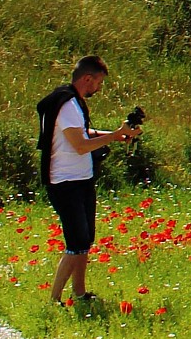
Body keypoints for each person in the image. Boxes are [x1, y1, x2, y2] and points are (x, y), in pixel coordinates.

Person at [37, 56, 139, 312]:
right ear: (87, 79)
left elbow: (84, 134)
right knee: (76, 242)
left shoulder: (74, 102)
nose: (99, 88)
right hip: (65, 181)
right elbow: (80, 145)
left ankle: (79, 293)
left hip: (81, 179)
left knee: (85, 239)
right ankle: (53, 300)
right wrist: (114, 136)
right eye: (99, 83)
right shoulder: (68, 105)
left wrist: (118, 135)